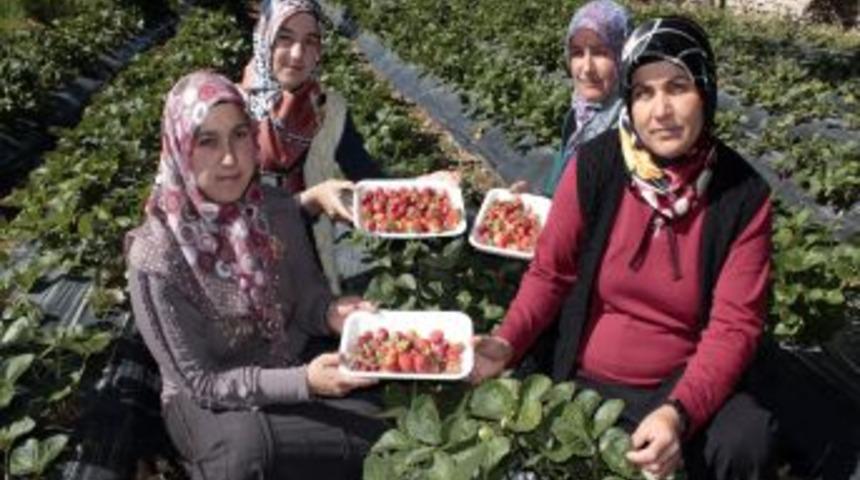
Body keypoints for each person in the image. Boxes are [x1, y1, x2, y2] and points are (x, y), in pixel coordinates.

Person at [472, 16, 776, 480]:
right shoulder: (596, 166)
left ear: (706, 91)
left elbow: (734, 327)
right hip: (583, 377)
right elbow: (550, 274)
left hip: (678, 386)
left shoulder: (741, 196)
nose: (661, 110)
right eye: (644, 92)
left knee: (747, 438)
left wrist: (678, 413)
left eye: (678, 87)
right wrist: (505, 341)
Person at [126, 71, 385, 479]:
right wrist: (304, 383)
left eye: (240, 135)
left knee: (381, 420)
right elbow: (201, 382)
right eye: (207, 141)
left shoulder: (274, 209)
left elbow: (308, 299)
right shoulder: (157, 257)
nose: (230, 158)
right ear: (179, 148)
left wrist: (331, 314)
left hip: (286, 360)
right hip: (209, 401)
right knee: (247, 453)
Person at [241, 0, 458, 292]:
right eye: (285, 38)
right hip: (249, 274)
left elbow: (367, 177)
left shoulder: (327, 110)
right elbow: (221, 220)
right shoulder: (229, 115)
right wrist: (309, 202)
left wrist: (421, 188)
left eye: (310, 41)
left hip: (314, 265)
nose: (297, 54)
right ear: (264, 38)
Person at [540, 0, 631, 197]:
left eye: (600, 53)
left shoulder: (629, 137)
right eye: (577, 53)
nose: (587, 68)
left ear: (622, 56)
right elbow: (559, 180)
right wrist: (533, 200)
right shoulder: (580, 112)